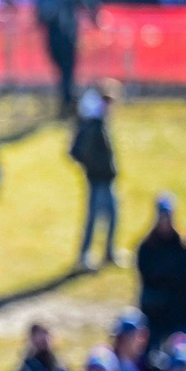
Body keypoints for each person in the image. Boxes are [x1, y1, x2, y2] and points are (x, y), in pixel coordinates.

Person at [70, 83, 120, 271]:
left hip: (105, 177)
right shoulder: (94, 123)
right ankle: (84, 256)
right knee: (93, 218)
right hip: (98, 178)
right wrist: (98, 169)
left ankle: (108, 252)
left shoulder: (97, 121)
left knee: (111, 216)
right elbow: (84, 153)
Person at [137, 194, 186, 343]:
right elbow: (148, 277)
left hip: (178, 312)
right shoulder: (147, 247)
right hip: (154, 314)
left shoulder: (183, 247)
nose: (165, 222)